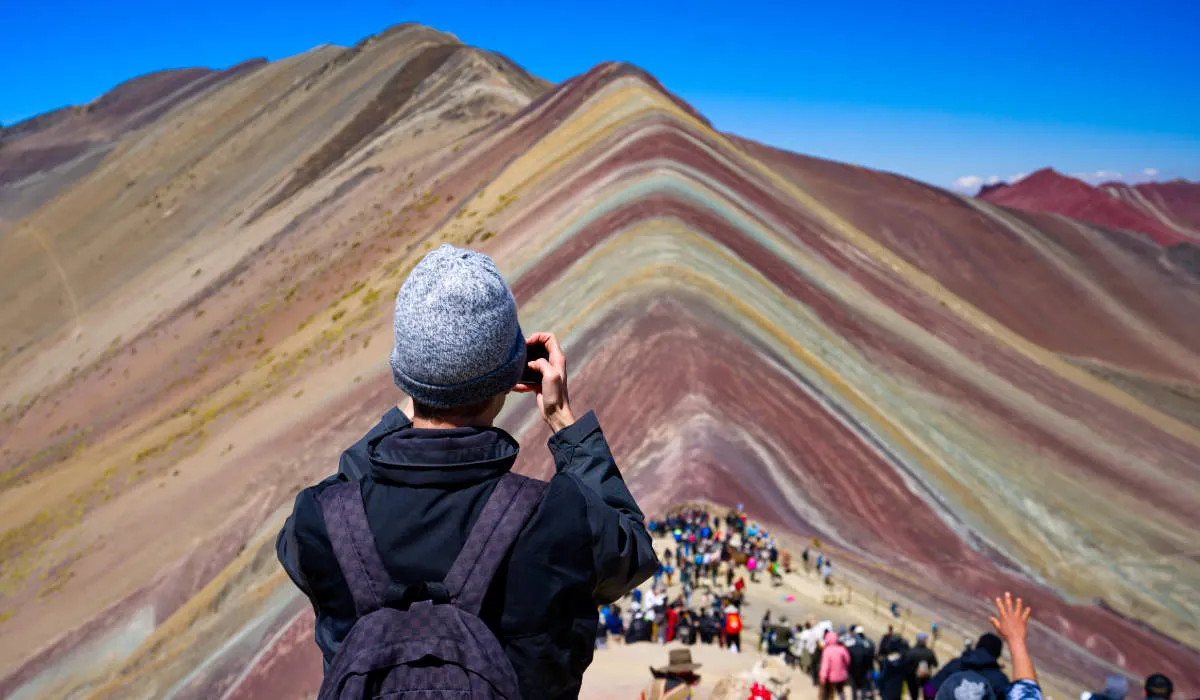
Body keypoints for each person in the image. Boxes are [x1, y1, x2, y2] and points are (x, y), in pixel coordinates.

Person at [276, 245, 658, 700]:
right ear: (508, 376)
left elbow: (341, 489)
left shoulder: (320, 522)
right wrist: (563, 421)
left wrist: (419, 398)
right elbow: (631, 549)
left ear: (405, 372)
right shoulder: (558, 517)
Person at [929, 631, 1009, 700]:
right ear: (997, 655)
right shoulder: (1001, 680)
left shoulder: (956, 664)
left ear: (978, 646)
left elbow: (930, 690)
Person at [820, 629, 852, 700]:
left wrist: (823, 677)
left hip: (830, 677)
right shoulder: (842, 648)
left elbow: (825, 666)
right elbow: (848, 660)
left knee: (826, 693)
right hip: (841, 675)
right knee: (841, 691)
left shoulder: (827, 650)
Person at [906, 632, 939, 700]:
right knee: (928, 696)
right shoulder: (929, 652)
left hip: (912, 679)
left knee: (914, 696)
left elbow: (906, 664)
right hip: (925, 679)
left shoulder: (910, 651)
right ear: (924, 641)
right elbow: (935, 664)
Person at [847, 626, 876, 700]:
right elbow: (872, 655)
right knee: (864, 687)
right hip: (864, 670)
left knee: (855, 689)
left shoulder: (851, 642)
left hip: (854, 671)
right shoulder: (868, 643)